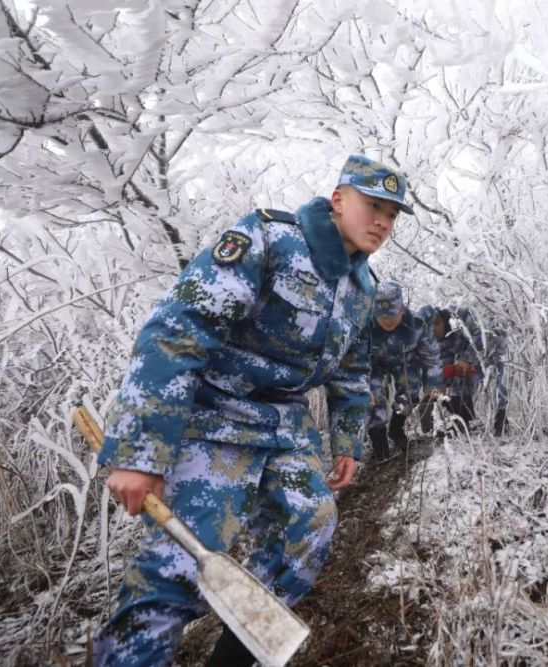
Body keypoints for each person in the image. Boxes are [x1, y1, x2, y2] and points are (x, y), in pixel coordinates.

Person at [93, 154, 413, 666]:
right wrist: (139, 452)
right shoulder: (270, 239)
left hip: (285, 428)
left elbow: (352, 369)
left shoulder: (361, 286)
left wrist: (349, 441)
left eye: (392, 214)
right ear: (338, 200)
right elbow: (177, 333)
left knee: (306, 534)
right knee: (176, 572)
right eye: (372, 205)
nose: (382, 221)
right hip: (213, 418)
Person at [367, 282, 442, 462]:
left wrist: (432, 386)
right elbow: (353, 360)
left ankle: (396, 429)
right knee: (369, 397)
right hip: (372, 365)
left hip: (405, 362)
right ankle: (379, 445)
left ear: (402, 309)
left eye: (392, 315)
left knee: (410, 390)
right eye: (381, 316)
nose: (387, 321)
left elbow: (431, 357)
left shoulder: (417, 326)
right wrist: (361, 387)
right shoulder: (363, 325)